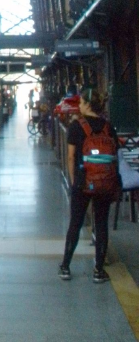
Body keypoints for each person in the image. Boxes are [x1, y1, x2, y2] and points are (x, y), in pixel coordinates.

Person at [59, 88, 119, 284]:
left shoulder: (77, 126)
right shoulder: (109, 127)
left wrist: (73, 181)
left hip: (83, 182)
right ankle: (98, 271)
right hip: (104, 182)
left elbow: (70, 156)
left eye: (82, 103)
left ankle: (65, 267)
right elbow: (114, 156)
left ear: (87, 105)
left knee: (75, 224)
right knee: (101, 224)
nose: (80, 106)